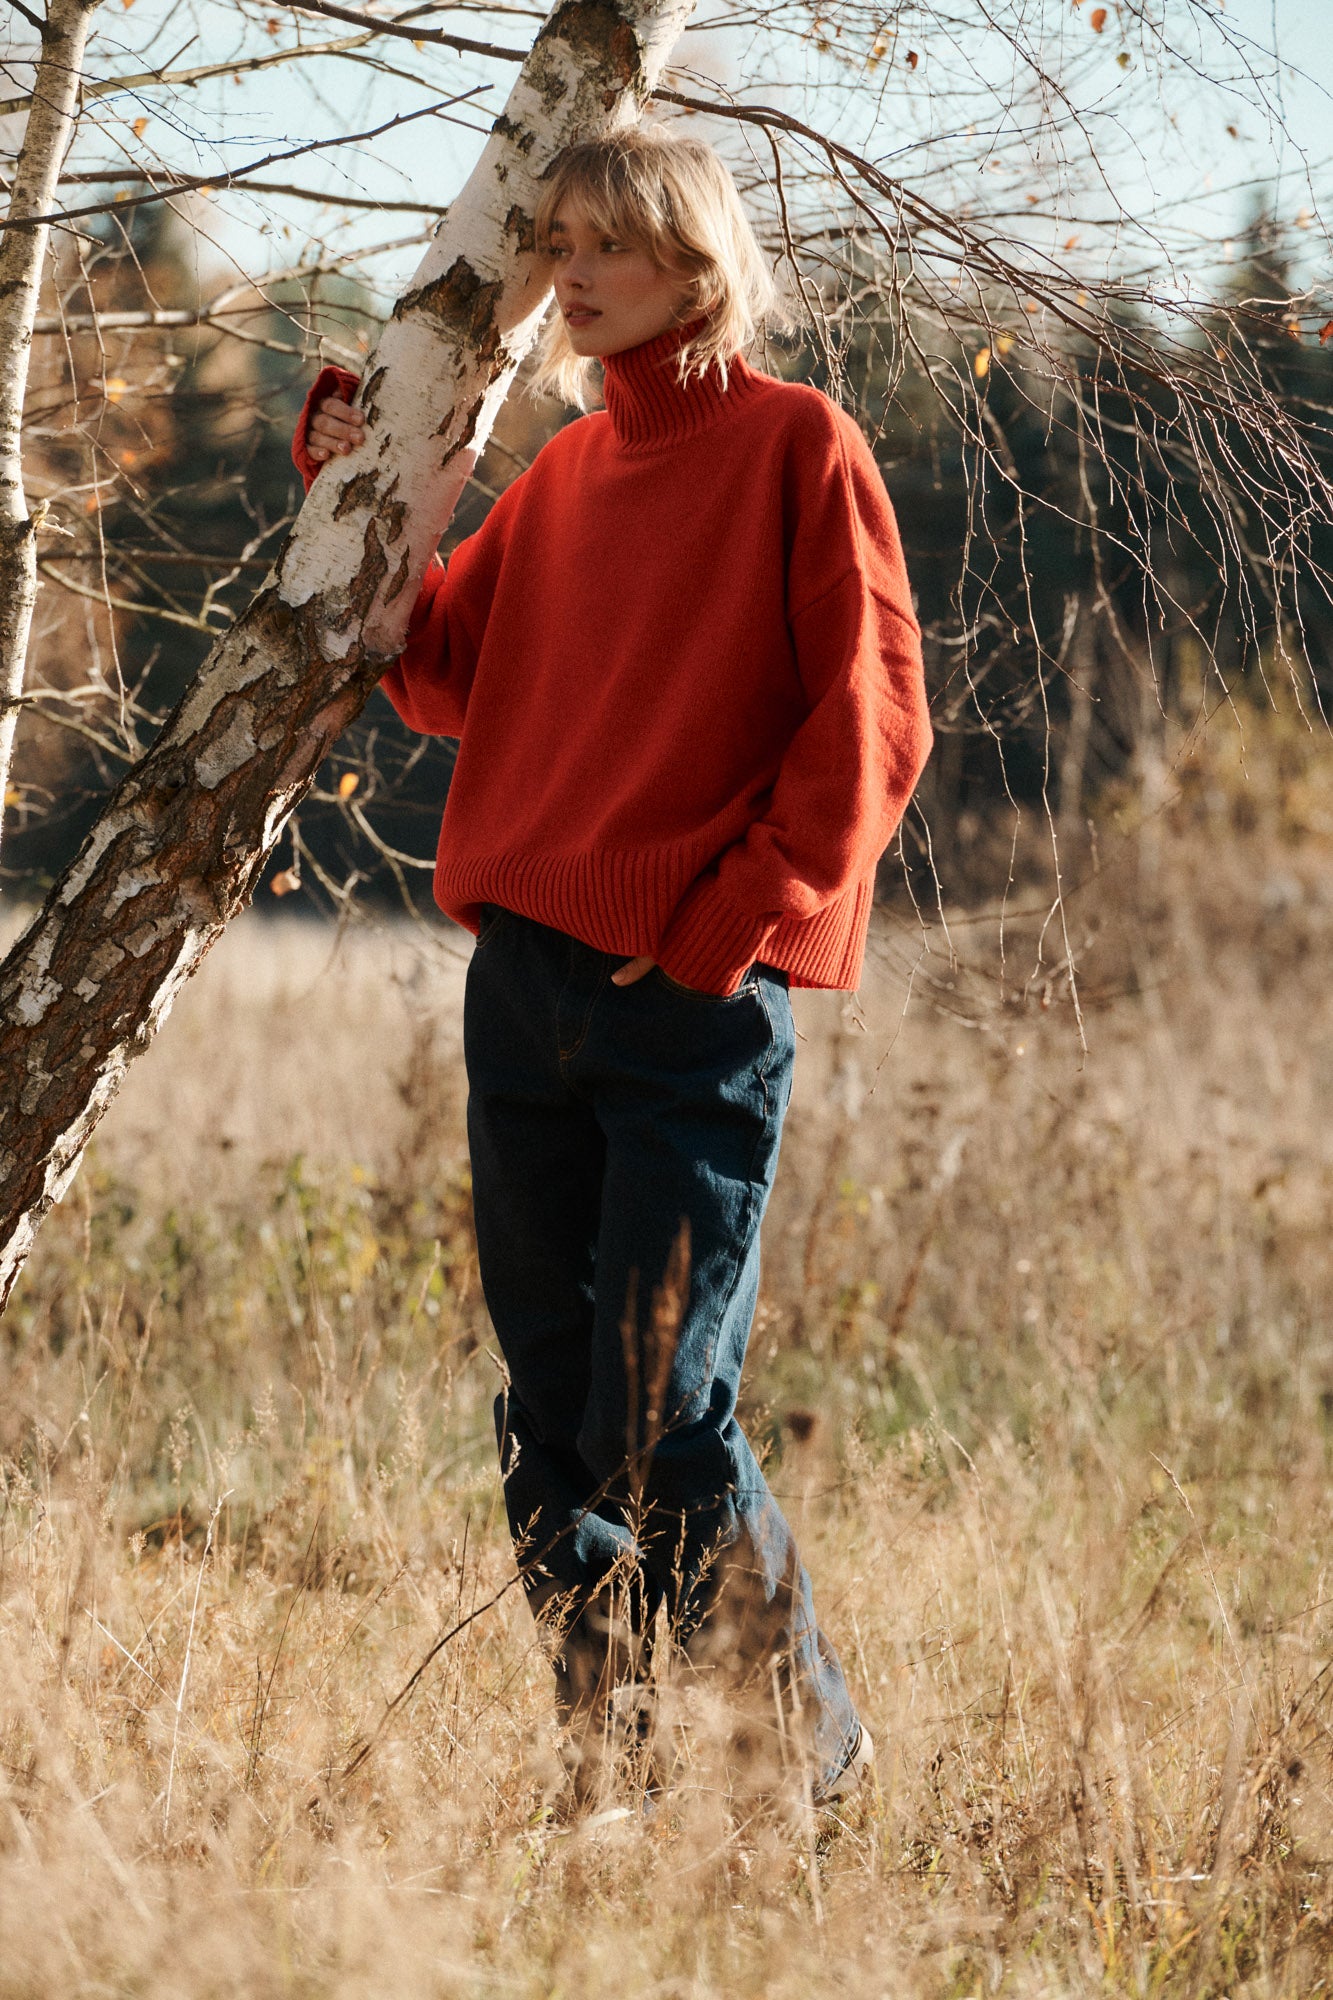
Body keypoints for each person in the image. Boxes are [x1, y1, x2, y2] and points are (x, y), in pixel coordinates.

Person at [293, 130, 933, 1815]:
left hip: (688, 1007)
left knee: (660, 1415)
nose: (568, 273)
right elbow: (439, 674)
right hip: (520, 992)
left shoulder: (799, 446)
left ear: (693, 263)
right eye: (555, 241)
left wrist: (718, 930)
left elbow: (869, 731)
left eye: (608, 246)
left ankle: (801, 1762)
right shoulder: (570, 474)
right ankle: (610, 1761)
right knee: (546, 1419)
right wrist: (352, 483)